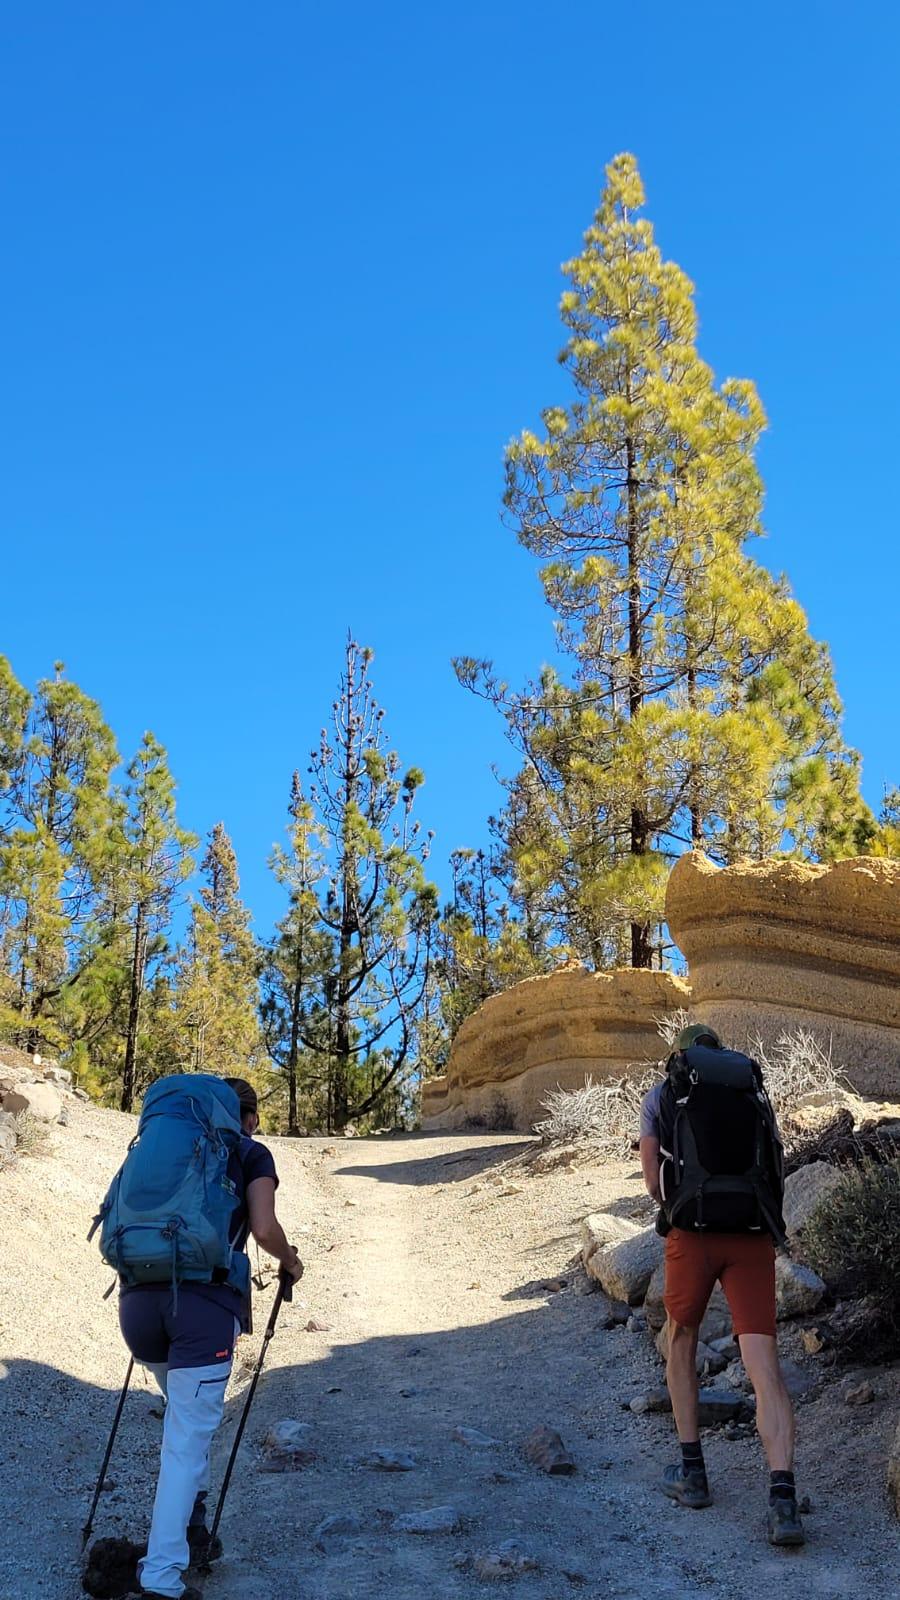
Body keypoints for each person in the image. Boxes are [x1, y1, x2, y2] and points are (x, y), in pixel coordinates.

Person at [118, 1077, 302, 1600]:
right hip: (202, 1309)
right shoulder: (249, 1151)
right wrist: (291, 1263)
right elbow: (264, 1229)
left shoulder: (165, 1145)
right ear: (248, 1116)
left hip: (137, 1306)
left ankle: (193, 1523)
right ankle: (161, 1579)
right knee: (185, 1444)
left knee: (183, 1425)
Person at [639, 1023, 805, 1549]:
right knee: (764, 1368)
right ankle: (783, 1502)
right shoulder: (749, 1089)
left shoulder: (664, 1092)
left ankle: (692, 1473)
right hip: (752, 1235)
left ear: (683, 1056)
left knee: (681, 1340)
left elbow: (651, 1181)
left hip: (693, 1233)